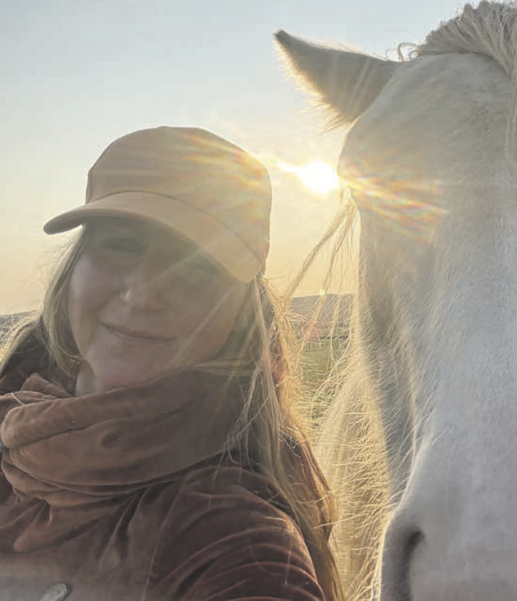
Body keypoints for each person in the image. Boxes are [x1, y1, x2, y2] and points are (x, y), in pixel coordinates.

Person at [0, 126, 341, 601]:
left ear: (241, 314)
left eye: (196, 264)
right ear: (74, 267)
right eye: (122, 244)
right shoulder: (16, 419)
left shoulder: (236, 545)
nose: (141, 295)